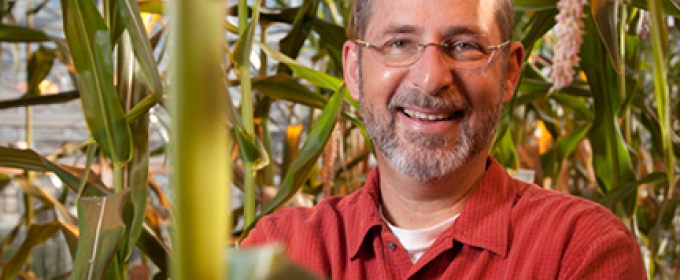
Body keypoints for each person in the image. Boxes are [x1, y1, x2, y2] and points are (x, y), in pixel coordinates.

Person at [241, 0, 647, 278]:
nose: (431, 78)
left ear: (509, 71)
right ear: (353, 69)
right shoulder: (278, 252)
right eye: (400, 43)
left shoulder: (581, 251)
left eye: (464, 46)